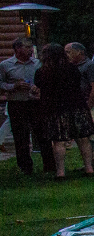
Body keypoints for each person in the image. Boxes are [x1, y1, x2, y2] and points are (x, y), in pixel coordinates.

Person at [33, 44, 94, 178]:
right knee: (83, 138)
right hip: (76, 106)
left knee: (58, 141)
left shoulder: (42, 72)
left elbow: (39, 88)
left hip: (56, 109)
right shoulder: (72, 69)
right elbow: (78, 84)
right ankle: (89, 168)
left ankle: (60, 171)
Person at [1, 37, 53, 175]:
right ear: (17, 49)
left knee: (42, 134)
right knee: (20, 136)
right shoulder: (6, 65)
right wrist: (14, 86)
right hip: (17, 103)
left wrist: (38, 88)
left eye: (31, 47)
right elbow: (1, 84)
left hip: (35, 103)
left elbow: (45, 81)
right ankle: (25, 168)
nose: (30, 50)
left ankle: (49, 165)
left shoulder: (37, 64)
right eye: (27, 47)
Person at [65, 43, 94, 171]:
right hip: (77, 104)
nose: (66, 55)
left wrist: (89, 105)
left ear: (79, 52)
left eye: (69, 51)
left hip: (87, 103)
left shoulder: (90, 66)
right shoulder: (72, 67)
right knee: (83, 135)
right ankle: (90, 163)